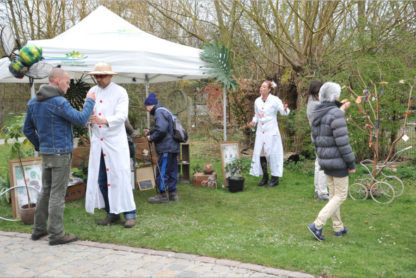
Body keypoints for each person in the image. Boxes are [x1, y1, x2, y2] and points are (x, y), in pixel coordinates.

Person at [23, 68, 96, 245]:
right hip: (60, 154)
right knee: (57, 193)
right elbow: (80, 119)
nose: (69, 85)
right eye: (67, 81)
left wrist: (40, 145)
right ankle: (56, 234)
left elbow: (27, 129)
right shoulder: (59, 102)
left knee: (45, 190)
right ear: (56, 81)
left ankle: (38, 230)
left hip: (47, 153)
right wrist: (89, 102)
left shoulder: (33, 102)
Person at [84, 62, 136, 228]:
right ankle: (111, 212)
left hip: (115, 142)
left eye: (102, 76)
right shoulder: (92, 92)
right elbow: (87, 111)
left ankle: (129, 213)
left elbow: (121, 116)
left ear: (110, 76)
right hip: (98, 143)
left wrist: (104, 120)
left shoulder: (120, 92)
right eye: (96, 76)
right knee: (101, 180)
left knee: (120, 178)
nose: (98, 79)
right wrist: (88, 119)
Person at [307, 82, 356, 241]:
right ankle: (317, 224)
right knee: (340, 196)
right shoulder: (336, 114)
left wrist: (321, 158)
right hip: (338, 162)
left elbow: (315, 140)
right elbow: (343, 142)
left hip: (325, 161)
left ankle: (338, 227)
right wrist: (351, 163)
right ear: (335, 96)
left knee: (333, 195)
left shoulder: (317, 112)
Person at [249, 80, 290, 187]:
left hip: (271, 132)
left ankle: (275, 179)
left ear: (269, 90)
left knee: (273, 154)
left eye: (263, 87)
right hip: (260, 132)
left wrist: (285, 109)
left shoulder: (275, 100)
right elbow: (257, 115)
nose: (261, 88)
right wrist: (253, 122)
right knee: (261, 154)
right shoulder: (257, 101)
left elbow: (283, 112)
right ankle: (265, 177)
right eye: (261, 86)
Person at [144, 93, 180, 203]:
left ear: (150, 105)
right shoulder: (165, 111)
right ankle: (173, 194)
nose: (147, 110)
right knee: (172, 170)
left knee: (162, 171)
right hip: (173, 146)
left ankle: (162, 195)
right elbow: (165, 128)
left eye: (146, 107)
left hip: (166, 148)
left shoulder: (159, 112)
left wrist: (151, 137)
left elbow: (162, 130)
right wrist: (151, 131)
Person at [306, 81, 329, 201]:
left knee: (318, 163)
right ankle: (322, 193)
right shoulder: (315, 105)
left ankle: (317, 190)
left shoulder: (313, 102)